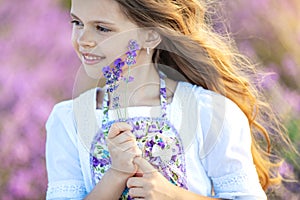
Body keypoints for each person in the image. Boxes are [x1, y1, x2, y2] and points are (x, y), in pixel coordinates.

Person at [45, 0, 289, 199]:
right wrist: (116, 174)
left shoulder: (208, 111)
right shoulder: (69, 120)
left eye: (102, 28)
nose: (83, 39)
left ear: (150, 36)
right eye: (77, 22)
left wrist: (173, 195)